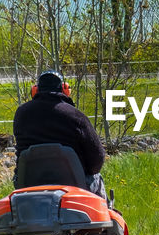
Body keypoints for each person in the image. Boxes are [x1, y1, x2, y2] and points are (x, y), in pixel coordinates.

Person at [12, 70, 107, 198]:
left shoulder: (21, 114)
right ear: (65, 89)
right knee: (97, 178)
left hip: (28, 184)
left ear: (35, 90)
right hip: (75, 186)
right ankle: (105, 216)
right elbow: (97, 160)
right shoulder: (76, 116)